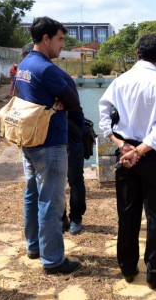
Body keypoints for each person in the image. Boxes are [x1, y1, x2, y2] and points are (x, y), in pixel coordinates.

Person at [99, 33, 156, 289]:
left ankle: (127, 266)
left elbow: (104, 118)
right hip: (152, 156)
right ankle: (155, 272)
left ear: (137, 55)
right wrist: (140, 150)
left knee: (127, 212)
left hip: (125, 155)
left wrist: (124, 146)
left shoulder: (119, 81)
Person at [15, 16, 82, 275]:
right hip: (50, 142)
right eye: (60, 39)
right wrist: (60, 100)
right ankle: (53, 259)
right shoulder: (48, 69)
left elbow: (18, 95)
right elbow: (73, 101)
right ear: (46, 39)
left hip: (29, 140)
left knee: (32, 194)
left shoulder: (24, 65)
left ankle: (34, 246)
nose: (62, 45)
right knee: (51, 203)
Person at [61, 79, 87, 235]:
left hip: (72, 141)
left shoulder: (66, 87)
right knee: (57, 183)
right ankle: (61, 218)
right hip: (53, 143)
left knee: (75, 181)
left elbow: (78, 121)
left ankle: (76, 218)